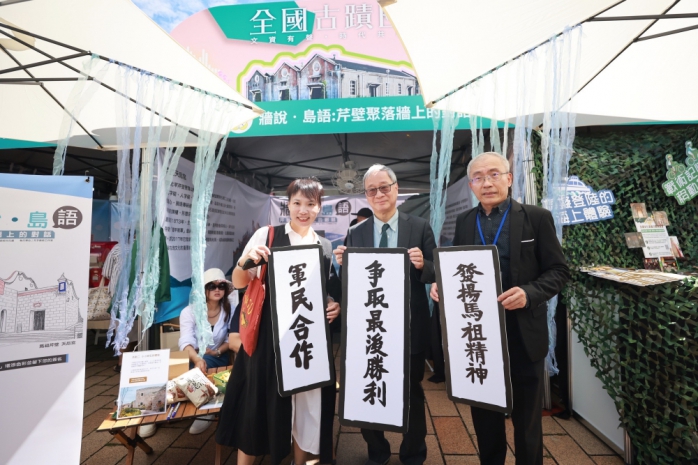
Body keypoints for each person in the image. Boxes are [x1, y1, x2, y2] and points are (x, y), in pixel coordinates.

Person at [430, 152, 570, 465]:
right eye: (478, 177)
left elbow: (559, 271)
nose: (487, 183)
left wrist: (529, 293)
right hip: (479, 336)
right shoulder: (465, 221)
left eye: (494, 174)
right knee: (484, 415)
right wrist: (443, 285)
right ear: (471, 185)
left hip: (523, 333)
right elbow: (460, 268)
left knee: (527, 420)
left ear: (508, 178)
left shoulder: (536, 217)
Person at [216, 177, 341, 465]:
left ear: (319, 207)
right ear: (288, 205)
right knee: (257, 405)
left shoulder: (323, 246)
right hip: (268, 339)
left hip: (306, 340)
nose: (303, 210)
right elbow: (239, 282)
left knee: (306, 404)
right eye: (297, 203)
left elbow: (323, 292)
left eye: (310, 204)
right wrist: (245, 261)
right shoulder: (268, 236)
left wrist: (334, 305)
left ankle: (300, 460)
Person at [334, 164, 436, 465]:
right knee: (369, 382)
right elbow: (350, 283)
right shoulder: (356, 232)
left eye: (384, 187)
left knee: (411, 391)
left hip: (409, 325)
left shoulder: (420, 226)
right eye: (372, 190)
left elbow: (436, 270)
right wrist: (342, 265)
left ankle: (413, 452)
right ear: (366, 195)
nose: (379, 194)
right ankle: (377, 450)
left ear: (396, 188)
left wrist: (423, 265)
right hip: (370, 327)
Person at [178, 267, 235, 434]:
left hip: (217, 355)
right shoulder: (189, 312)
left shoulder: (230, 310)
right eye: (212, 286)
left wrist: (217, 352)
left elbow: (230, 339)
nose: (217, 290)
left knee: (203, 366)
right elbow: (186, 341)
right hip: (192, 355)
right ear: (204, 290)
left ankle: (205, 409)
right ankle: (161, 408)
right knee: (177, 369)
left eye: (221, 286)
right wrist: (197, 358)